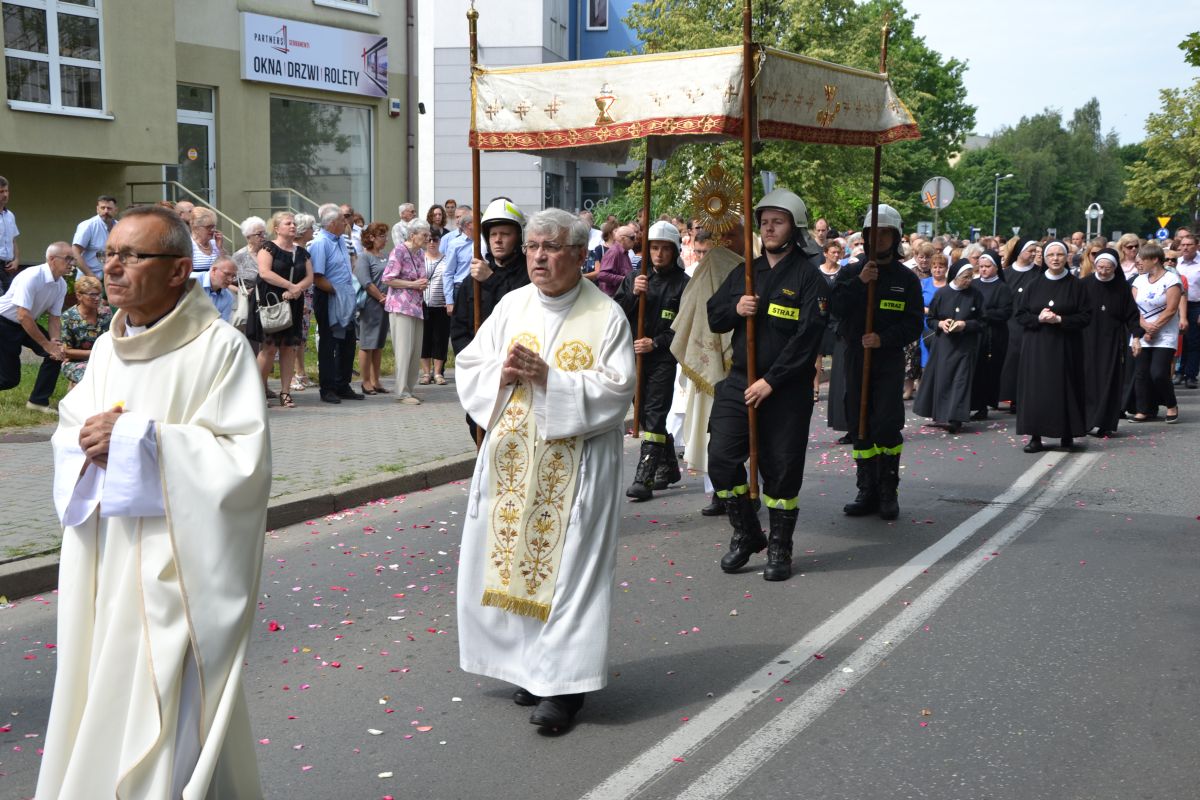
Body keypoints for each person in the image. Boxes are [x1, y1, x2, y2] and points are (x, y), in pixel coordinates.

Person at [38, 205, 269, 799]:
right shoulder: (112, 348)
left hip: (173, 568)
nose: (112, 268)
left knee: (166, 706)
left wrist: (141, 440)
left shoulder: (218, 349)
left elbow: (240, 459)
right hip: (107, 557)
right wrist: (85, 438)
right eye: (109, 254)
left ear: (178, 271)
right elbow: (73, 423)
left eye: (131, 255)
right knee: (101, 690)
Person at [453, 208, 635, 732]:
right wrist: (502, 372)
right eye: (533, 246)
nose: (538, 256)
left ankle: (565, 688)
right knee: (512, 559)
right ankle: (530, 669)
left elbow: (618, 389)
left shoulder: (606, 316)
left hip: (575, 469)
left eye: (551, 247)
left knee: (570, 571)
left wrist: (552, 380)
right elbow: (470, 364)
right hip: (512, 461)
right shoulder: (511, 304)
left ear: (580, 255)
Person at [707, 189, 828, 581]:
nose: (769, 228)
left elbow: (807, 339)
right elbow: (714, 317)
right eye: (764, 221)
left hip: (785, 390)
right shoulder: (747, 272)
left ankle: (780, 545)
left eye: (778, 221)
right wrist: (735, 307)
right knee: (722, 460)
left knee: (781, 471)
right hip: (740, 381)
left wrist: (771, 382)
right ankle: (748, 534)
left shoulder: (809, 278)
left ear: (795, 227)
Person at [833, 204, 923, 521]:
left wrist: (884, 338)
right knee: (860, 425)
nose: (879, 238)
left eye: (885, 232)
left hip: (887, 360)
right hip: (856, 359)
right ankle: (865, 488)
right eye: (874, 232)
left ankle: (888, 489)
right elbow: (833, 307)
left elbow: (914, 324)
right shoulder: (849, 272)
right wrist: (859, 282)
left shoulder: (906, 279)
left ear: (895, 236)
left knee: (886, 424)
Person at [669, 221, 744, 516]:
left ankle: (745, 493)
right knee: (709, 428)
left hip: (741, 363)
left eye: (732, 234)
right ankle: (718, 490)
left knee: (740, 433)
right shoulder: (708, 266)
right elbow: (692, 308)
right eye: (719, 235)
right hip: (709, 360)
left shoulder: (754, 269)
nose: (724, 241)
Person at [615, 220, 689, 500]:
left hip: (662, 359)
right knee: (646, 415)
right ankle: (669, 468)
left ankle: (643, 479)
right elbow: (615, 313)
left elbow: (683, 327)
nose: (659, 254)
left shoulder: (684, 285)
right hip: (634, 358)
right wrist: (634, 295)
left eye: (664, 249)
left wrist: (656, 343)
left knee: (656, 413)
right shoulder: (636, 279)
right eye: (654, 248)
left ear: (674, 251)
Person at [1014, 240, 1091, 452]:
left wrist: (1060, 321)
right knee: (1036, 390)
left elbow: (1085, 317)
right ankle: (1035, 436)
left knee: (1065, 388)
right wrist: (1038, 318)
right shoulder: (1033, 285)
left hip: (1066, 344)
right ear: (1044, 258)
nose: (1055, 259)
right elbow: (1020, 314)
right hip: (1037, 345)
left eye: (1059, 255)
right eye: (1051, 255)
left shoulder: (1076, 285)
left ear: (1067, 257)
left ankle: (1067, 434)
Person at [0, 242, 72, 412]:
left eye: (73, 259)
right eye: (68, 259)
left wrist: (54, 342)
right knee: (8, 379)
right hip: (4, 323)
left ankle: (37, 402)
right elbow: (22, 314)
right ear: (52, 259)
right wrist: (46, 344)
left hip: (25, 322)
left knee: (56, 354)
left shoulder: (60, 284)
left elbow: (54, 318)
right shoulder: (32, 276)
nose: (72, 263)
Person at [914, 259, 982, 433]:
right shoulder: (942, 293)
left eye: (970, 277)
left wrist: (965, 325)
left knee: (961, 380)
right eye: (965, 277)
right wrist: (941, 324)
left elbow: (983, 321)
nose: (968, 281)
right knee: (943, 379)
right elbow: (931, 319)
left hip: (965, 344)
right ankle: (942, 414)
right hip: (944, 344)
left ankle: (956, 418)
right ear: (956, 276)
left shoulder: (975, 294)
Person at [252, 211, 312, 409]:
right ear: (277, 228)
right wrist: (290, 286)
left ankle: (285, 392)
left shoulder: (302, 252)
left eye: (294, 223)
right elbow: (265, 273)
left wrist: (296, 290)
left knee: (290, 347)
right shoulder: (268, 248)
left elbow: (309, 277)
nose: (293, 226)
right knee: (269, 348)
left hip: (293, 301)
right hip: (272, 301)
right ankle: (258, 392)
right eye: (288, 223)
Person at [1080, 248, 1140, 437]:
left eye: (1108, 268)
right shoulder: (1084, 284)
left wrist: (1136, 336)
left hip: (1112, 339)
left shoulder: (1121, 287)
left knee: (1109, 380)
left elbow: (1131, 315)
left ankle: (1105, 423)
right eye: (1100, 267)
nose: (1103, 271)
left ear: (1115, 268)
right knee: (1087, 380)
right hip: (1086, 338)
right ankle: (1087, 421)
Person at [309, 203, 361, 404]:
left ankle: (343, 384)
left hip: (344, 295)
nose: (346, 222)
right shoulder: (321, 243)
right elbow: (318, 277)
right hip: (329, 296)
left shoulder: (341, 240)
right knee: (329, 343)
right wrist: (337, 292)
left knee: (348, 341)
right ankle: (328, 388)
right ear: (331, 224)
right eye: (342, 220)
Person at [1129, 242, 1181, 423]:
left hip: (1164, 334)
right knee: (1141, 373)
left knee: (1158, 372)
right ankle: (1145, 409)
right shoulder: (1138, 280)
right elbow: (1132, 308)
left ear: (1155, 260)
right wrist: (1143, 326)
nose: (1139, 263)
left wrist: (1154, 327)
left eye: (1142, 259)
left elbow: (1171, 309)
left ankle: (1171, 404)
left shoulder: (1171, 280)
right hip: (1142, 332)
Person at [383, 219, 429, 405]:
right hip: (400, 305)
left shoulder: (419, 253)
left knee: (415, 349)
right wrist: (412, 284)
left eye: (428, 235)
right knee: (403, 350)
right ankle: (401, 392)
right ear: (412, 235)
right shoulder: (399, 251)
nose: (427, 238)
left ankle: (409, 389)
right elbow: (388, 278)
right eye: (424, 235)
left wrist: (421, 284)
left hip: (416, 306)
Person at [997, 238, 1042, 411]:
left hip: (1030, 323)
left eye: (1035, 251)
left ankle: (1024, 397)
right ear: (1019, 251)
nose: (1033, 254)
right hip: (1010, 323)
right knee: (1010, 361)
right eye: (1030, 250)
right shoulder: (1006, 273)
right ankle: (1008, 395)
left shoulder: (1039, 273)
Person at [968, 249, 1013, 420]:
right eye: (981, 266)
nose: (984, 270)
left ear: (996, 268)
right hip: (975, 334)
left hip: (994, 335)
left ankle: (984, 405)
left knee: (988, 371)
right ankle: (970, 403)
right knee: (974, 370)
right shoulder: (973, 284)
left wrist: (983, 314)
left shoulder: (1002, 288)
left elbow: (1005, 312)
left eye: (988, 266)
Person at [354, 222, 391, 395]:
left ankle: (377, 380)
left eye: (385, 235)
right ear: (371, 238)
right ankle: (366, 381)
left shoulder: (385, 256)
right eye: (382, 236)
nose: (386, 239)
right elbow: (366, 282)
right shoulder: (364, 257)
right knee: (367, 343)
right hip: (371, 304)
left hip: (386, 305)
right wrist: (381, 298)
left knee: (379, 344)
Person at [58, 274, 111, 389]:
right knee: (90, 378)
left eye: (99, 294)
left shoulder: (106, 313)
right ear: (79, 296)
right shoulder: (68, 318)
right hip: (76, 362)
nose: (97, 298)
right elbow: (66, 351)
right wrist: (95, 354)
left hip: (105, 360)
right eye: (92, 295)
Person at [420, 226, 451, 385]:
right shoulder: (419, 258)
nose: (432, 243)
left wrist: (450, 300)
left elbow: (450, 279)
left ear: (440, 241)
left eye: (435, 240)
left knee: (441, 338)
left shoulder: (446, 259)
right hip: (422, 304)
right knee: (424, 339)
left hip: (441, 304)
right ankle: (426, 373)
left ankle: (438, 373)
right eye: (429, 239)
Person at [291, 212, 318, 392]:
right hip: (295, 295)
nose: (313, 231)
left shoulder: (305, 249)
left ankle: (301, 372)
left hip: (307, 295)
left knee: (302, 336)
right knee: (293, 336)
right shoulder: (291, 249)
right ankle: (292, 375)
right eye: (310, 228)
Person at [232, 216, 267, 338]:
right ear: (248, 237)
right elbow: (228, 283)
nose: (264, 237)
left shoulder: (269, 252)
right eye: (259, 234)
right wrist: (244, 292)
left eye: (264, 233)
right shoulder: (239, 256)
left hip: (269, 302)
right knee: (252, 341)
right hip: (250, 306)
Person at [72, 194, 118, 279]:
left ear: (116, 210)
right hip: (88, 279)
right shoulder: (88, 226)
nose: (106, 211)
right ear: (97, 209)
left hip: (110, 278)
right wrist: (91, 276)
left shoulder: (119, 227)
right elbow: (75, 252)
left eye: (109, 208)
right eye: (102, 208)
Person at [1175, 233, 1199, 388]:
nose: (1185, 247)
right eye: (1183, 244)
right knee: (1179, 340)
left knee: (1194, 341)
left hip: (1196, 305)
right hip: (1177, 305)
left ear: (1196, 246)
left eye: (1189, 244)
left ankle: (1191, 375)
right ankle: (1179, 372)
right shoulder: (1176, 263)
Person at [441, 206, 475, 306]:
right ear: (468, 224)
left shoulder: (484, 241)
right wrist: (449, 301)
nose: (458, 220)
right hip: (461, 287)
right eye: (457, 217)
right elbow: (448, 272)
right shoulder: (453, 242)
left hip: (482, 286)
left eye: (460, 216)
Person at [589, 224, 635, 297]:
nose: (635, 240)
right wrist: (624, 279)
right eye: (632, 238)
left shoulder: (623, 252)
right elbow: (602, 275)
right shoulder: (614, 252)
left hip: (619, 296)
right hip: (612, 298)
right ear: (623, 239)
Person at [201, 255, 238, 323]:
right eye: (227, 274)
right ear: (214, 270)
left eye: (233, 276)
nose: (230, 280)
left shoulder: (228, 297)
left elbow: (223, 324)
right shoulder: (192, 281)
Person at [189, 207, 224, 276]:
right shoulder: (189, 245)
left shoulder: (215, 243)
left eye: (214, 226)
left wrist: (220, 248)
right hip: (197, 285)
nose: (213, 230)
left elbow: (225, 267)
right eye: (209, 227)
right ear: (195, 228)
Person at [0, 176, 20, 293]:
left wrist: (16, 259)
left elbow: (13, 240)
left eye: (6, 191)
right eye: (1, 192)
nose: (5, 195)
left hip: (8, 267)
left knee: (9, 300)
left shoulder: (10, 215)